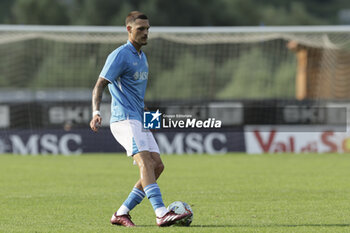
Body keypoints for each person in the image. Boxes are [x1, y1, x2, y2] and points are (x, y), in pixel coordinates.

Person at [89, 11, 192, 227]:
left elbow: (137, 96)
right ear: (129, 30)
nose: (146, 33)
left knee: (157, 166)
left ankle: (121, 212)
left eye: (147, 29)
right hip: (124, 119)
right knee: (145, 162)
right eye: (141, 29)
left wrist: (152, 118)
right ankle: (161, 213)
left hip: (139, 118)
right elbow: (99, 85)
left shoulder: (142, 57)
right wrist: (96, 112)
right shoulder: (119, 55)